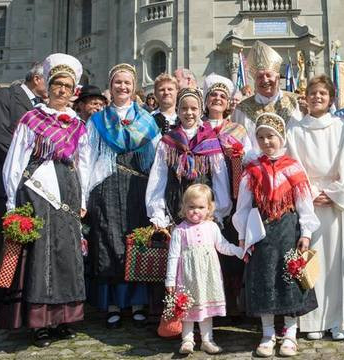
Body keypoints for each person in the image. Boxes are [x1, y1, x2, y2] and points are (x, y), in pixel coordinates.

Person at [1, 53, 87, 347]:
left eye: (67, 85)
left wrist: (82, 198)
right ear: (47, 86)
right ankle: (40, 323)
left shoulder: (78, 124)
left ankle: (64, 317)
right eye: (57, 84)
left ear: (73, 90)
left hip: (68, 192)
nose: (61, 90)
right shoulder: (31, 119)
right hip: (37, 192)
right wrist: (12, 203)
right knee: (41, 256)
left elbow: (82, 163)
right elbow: (14, 162)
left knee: (66, 255)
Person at [287, 75, 344, 341]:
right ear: (306, 98)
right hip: (308, 202)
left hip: (335, 203)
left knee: (337, 260)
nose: (317, 97)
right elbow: (293, 164)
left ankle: (339, 318)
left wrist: (334, 193)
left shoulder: (340, 126)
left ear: (331, 98)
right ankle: (313, 320)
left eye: (323, 93)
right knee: (311, 261)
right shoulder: (295, 129)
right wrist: (309, 193)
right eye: (313, 93)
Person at [233, 113, 319, 357]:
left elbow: (304, 203)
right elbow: (243, 206)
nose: (266, 141)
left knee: (289, 279)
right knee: (264, 280)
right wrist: (242, 235)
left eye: (270, 136)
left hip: (288, 230)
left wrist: (307, 233)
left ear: (281, 137)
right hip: (262, 233)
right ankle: (268, 333)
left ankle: (290, 334)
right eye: (260, 137)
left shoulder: (292, 167)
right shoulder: (251, 171)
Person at [84, 63, 161, 328]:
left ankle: (138, 302)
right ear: (110, 86)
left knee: (136, 239)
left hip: (137, 187)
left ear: (134, 86)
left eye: (127, 82)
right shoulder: (98, 121)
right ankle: (114, 304)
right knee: (109, 241)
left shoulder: (147, 120)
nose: (123, 87)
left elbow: (158, 158)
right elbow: (86, 157)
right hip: (107, 185)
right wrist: (84, 195)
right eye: (118, 82)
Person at [0, 61, 47, 318]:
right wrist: (30, 166)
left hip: (33, 186)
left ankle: (22, 298)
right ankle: (1, 298)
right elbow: (0, 136)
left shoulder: (42, 107)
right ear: (38, 79)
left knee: (27, 241)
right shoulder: (6, 95)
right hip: (8, 181)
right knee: (6, 240)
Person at [164, 184, 243, 355]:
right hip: (187, 277)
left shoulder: (212, 227)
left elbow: (222, 246)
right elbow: (173, 256)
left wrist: (238, 251)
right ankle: (187, 339)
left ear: (209, 209)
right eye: (191, 207)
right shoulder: (180, 231)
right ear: (184, 208)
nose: (195, 211)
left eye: (201, 207)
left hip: (208, 276)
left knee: (206, 309)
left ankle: (207, 340)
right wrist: (170, 280)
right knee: (186, 308)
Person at [201, 73, 252, 316]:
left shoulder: (238, 129)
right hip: (203, 198)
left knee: (231, 252)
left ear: (228, 102)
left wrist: (238, 155)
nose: (217, 99)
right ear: (206, 100)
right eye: (213, 95)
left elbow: (250, 160)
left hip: (232, 199)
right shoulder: (197, 129)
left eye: (222, 96)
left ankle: (232, 305)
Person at [146, 87, 231, 229]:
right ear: (177, 111)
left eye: (194, 108)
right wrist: (158, 212)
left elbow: (219, 179)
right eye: (184, 108)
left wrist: (218, 213)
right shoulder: (168, 141)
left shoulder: (210, 140)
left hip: (204, 211)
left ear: (201, 111)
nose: (189, 113)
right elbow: (159, 177)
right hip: (174, 207)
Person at [232, 41, 302, 146]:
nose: (265, 80)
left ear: (278, 77)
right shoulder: (241, 109)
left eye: (269, 75)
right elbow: (238, 144)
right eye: (260, 77)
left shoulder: (296, 102)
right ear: (255, 80)